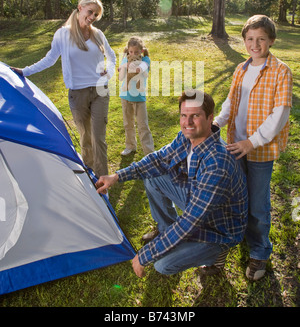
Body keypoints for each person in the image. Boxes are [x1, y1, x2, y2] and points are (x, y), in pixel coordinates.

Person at [96, 90, 248, 278]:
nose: (187, 122)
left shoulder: (217, 163)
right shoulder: (186, 137)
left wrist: (146, 255)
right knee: (153, 175)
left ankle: (217, 253)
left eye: (195, 116)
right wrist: (117, 176)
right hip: (198, 203)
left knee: (162, 264)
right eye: (184, 115)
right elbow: (158, 160)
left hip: (219, 228)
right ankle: (167, 231)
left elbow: (190, 221)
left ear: (210, 118)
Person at [214, 14, 293, 281]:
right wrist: (216, 124)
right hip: (235, 145)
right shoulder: (241, 68)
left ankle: (260, 250)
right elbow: (230, 102)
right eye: (250, 39)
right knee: (234, 198)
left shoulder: (281, 71)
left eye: (261, 39)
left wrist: (252, 142)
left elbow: (279, 115)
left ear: (271, 40)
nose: (255, 44)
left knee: (258, 204)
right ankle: (233, 241)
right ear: (244, 40)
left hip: (259, 150)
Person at [11, 0, 116, 178]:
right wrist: (25, 71)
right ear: (80, 8)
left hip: (100, 91)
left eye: (96, 15)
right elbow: (50, 59)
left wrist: (108, 73)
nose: (92, 17)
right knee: (85, 139)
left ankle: (103, 180)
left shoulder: (98, 34)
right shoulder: (63, 34)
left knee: (98, 138)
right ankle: (90, 175)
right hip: (78, 93)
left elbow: (112, 57)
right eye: (90, 12)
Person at [118, 36, 154, 156]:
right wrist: (123, 68)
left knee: (143, 125)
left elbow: (143, 68)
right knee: (128, 124)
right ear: (128, 51)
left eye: (136, 52)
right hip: (125, 96)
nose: (133, 54)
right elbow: (121, 78)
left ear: (141, 51)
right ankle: (130, 146)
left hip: (139, 97)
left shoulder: (145, 60)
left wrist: (137, 68)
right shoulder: (125, 60)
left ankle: (149, 151)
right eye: (131, 52)